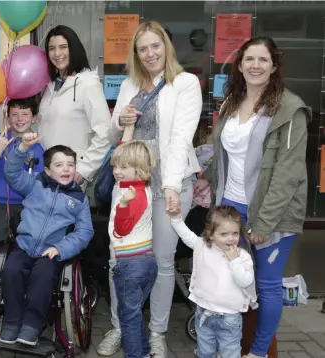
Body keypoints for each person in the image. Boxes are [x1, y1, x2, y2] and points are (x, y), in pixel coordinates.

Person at [99, 21, 203, 357]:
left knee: (162, 260)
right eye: (143, 48)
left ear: (166, 47)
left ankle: (157, 331)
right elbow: (115, 133)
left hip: (169, 186)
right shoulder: (130, 83)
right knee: (121, 258)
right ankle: (121, 326)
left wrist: (171, 185)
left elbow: (179, 139)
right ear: (136, 53)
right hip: (130, 185)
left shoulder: (185, 83)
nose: (150, 54)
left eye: (155, 46)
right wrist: (121, 120)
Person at [203, 37, 311, 358]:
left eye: (263, 60)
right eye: (249, 59)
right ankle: (234, 343)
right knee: (235, 281)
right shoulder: (231, 103)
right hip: (231, 208)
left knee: (265, 284)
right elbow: (222, 156)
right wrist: (205, 184)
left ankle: (259, 352)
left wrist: (264, 221)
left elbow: (287, 175)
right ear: (240, 64)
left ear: (274, 66)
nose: (255, 66)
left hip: (270, 211)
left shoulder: (290, 110)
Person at [0, 133, 93, 345]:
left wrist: (60, 248)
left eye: (70, 164)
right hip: (24, 246)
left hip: (51, 252)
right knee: (11, 272)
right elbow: (11, 172)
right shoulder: (34, 184)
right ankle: (12, 322)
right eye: (59, 165)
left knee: (42, 278)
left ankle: (32, 325)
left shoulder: (79, 199)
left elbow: (84, 232)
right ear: (48, 170)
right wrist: (22, 147)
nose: (66, 168)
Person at [169, 205, 256, 358]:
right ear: (211, 234)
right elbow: (186, 235)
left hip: (229, 318)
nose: (231, 238)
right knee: (205, 353)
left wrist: (234, 261)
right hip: (203, 313)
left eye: (235, 233)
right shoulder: (202, 246)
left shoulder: (242, 257)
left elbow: (246, 281)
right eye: (224, 234)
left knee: (230, 354)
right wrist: (176, 218)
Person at [37, 25, 111, 191]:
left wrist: (84, 170)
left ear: (74, 49)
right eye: (52, 48)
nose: (57, 54)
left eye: (63, 47)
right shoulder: (49, 87)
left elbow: (105, 134)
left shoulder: (88, 84)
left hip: (70, 174)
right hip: (46, 173)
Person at [0, 96, 44, 268]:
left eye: (25, 114)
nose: (20, 119)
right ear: (7, 117)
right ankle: (0, 290)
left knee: (24, 257)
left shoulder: (38, 146)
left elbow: (37, 183)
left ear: (34, 118)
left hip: (26, 207)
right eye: (14, 114)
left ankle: (16, 290)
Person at [107, 140, 158, 358]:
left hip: (130, 266)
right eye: (115, 166)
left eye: (123, 167)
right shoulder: (142, 187)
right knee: (134, 314)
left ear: (139, 168)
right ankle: (145, 352)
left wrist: (123, 206)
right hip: (146, 262)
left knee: (128, 318)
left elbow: (122, 229)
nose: (117, 171)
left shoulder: (131, 195)